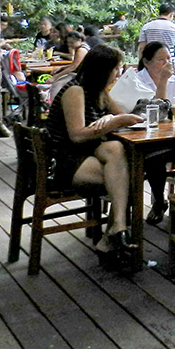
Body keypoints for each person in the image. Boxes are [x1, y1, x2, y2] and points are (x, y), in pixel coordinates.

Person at [45, 44, 140, 265]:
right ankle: (112, 237)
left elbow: (123, 116)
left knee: (115, 150)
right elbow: (77, 135)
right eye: (116, 69)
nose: (119, 73)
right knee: (127, 180)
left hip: (87, 155)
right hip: (65, 160)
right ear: (102, 69)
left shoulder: (100, 92)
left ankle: (115, 230)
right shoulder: (75, 91)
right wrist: (113, 123)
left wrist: (117, 119)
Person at [123, 41, 175, 224]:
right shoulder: (136, 80)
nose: (166, 63)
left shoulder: (174, 81)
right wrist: (163, 81)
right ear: (147, 62)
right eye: (160, 59)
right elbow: (155, 113)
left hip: (170, 135)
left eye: (168, 58)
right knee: (153, 157)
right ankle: (159, 200)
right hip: (141, 136)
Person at [138, 1, 175, 71]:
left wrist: (142, 64)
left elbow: (141, 48)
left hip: (150, 63)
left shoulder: (146, 27)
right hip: (168, 63)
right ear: (171, 15)